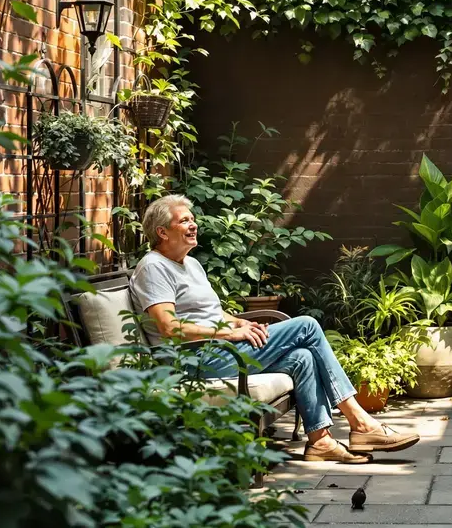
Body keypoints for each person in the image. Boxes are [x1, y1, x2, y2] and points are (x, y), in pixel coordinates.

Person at [129, 194, 420, 464]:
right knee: (306, 325)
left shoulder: (190, 264)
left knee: (303, 357)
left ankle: (320, 441)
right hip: (192, 361)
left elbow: (210, 314)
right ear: (162, 232)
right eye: (184, 220)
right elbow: (169, 328)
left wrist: (239, 322)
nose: (193, 225)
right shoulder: (154, 267)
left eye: (192, 219)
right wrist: (229, 333)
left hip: (216, 350)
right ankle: (361, 423)